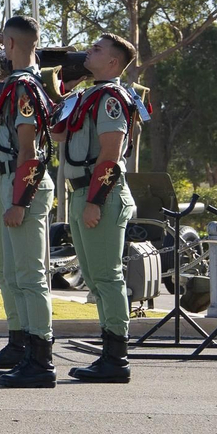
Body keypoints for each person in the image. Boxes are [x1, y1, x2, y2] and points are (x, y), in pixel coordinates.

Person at [0, 15, 59, 389]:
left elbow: (29, 149)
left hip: (23, 181)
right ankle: (29, 352)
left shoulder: (24, 88)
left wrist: (19, 201)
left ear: (10, 45)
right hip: (15, 179)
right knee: (19, 274)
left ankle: (41, 360)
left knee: (29, 275)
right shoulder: (19, 85)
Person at [59, 33, 141, 384]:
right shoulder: (87, 96)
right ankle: (109, 353)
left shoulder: (110, 98)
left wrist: (94, 200)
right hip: (82, 192)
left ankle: (116, 358)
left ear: (112, 63)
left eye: (97, 49)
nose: (88, 51)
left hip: (100, 193)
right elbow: (58, 132)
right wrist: (65, 90)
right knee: (94, 279)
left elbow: (110, 154)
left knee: (107, 277)